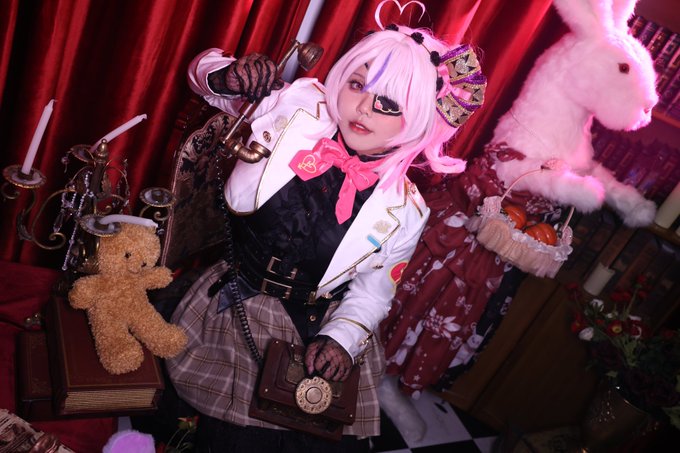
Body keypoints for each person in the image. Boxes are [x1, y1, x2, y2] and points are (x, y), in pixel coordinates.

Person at [166, 18, 486, 452]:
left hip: (315, 324)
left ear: (419, 118)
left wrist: (340, 340)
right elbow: (202, 77)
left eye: (389, 104)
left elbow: (373, 294)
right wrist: (227, 76)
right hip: (234, 305)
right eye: (357, 85)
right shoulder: (300, 107)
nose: (364, 108)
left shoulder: (407, 211)